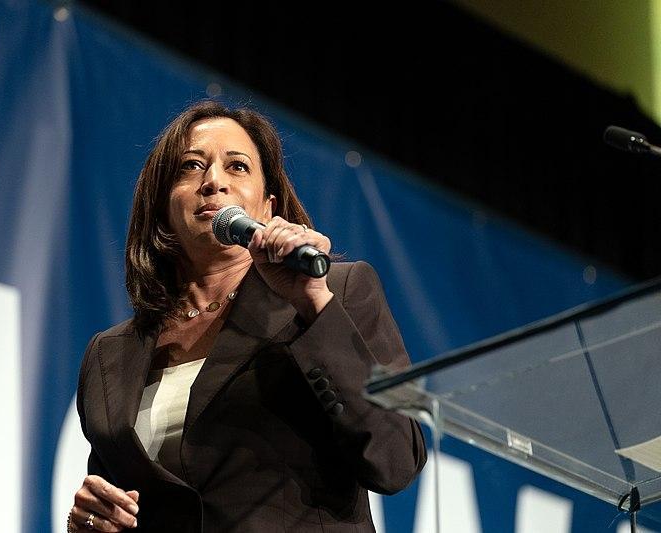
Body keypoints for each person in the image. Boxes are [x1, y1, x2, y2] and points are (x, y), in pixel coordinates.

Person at [67, 100, 427, 532]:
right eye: (190, 167)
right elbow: (117, 505)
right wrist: (90, 523)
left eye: (237, 167)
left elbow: (396, 459)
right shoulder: (110, 355)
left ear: (267, 208)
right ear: (163, 207)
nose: (213, 181)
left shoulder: (337, 292)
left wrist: (314, 303)